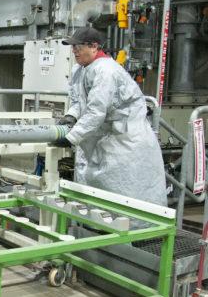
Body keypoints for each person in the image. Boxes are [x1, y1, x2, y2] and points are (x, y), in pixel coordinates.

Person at [57, 27, 167, 216]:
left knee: (125, 189)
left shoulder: (106, 71)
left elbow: (96, 112)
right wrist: (71, 116)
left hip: (124, 142)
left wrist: (70, 138)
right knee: (99, 189)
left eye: (77, 46)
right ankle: (100, 226)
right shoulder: (80, 69)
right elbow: (78, 100)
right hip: (101, 139)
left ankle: (135, 232)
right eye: (72, 47)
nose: (74, 51)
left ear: (94, 47)